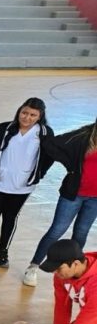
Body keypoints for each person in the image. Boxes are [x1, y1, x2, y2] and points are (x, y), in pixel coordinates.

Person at [0, 98, 54, 268]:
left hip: (23, 186)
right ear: (19, 111)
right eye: (24, 113)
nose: (27, 118)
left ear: (40, 116)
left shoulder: (45, 133)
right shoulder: (4, 128)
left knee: (10, 218)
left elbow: (49, 157)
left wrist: (39, 174)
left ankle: (3, 252)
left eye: (33, 115)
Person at [23, 118, 97, 287]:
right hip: (74, 195)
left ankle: (73, 272)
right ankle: (33, 266)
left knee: (81, 233)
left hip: (95, 199)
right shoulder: (82, 137)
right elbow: (52, 144)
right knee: (56, 230)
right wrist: (70, 165)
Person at [33, 239, 97, 324]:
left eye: (58, 269)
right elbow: (62, 308)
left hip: (93, 318)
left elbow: (88, 318)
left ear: (76, 263)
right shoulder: (62, 276)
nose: (55, 273)